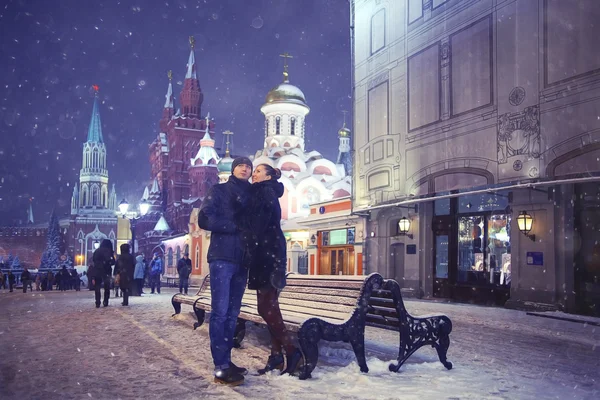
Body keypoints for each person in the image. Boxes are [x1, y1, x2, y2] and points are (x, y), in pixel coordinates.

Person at [238, 164, 303, 375]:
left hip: (268, 254)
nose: (253, 174)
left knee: (267, 308)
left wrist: (244, 232)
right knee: (269, 307)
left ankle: (292, 351)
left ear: (267, 176)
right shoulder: (262, 191)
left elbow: (260, 224)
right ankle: (276, 356)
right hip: (265, 254)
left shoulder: (264, 191)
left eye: (258, 171)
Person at [197, 156, 252, 386]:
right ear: (233, 169)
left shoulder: (252, 194)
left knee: (232, 313)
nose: (245, 168)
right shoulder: (219, 191)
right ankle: (220, 367)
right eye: (240, 165)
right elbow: (204, 218)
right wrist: (233, 226)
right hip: (222, 258)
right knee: (219, 312)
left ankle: (226, 360)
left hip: (243, 260)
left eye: (248, 166)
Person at [91, 239, 116, 308]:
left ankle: (97, 302)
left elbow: (93, 260)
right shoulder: (108, 251)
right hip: (106, 270)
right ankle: (105, 301)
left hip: (97, 270)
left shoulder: (97, 251)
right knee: (106, 287)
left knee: (97, 286)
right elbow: (113, 262)